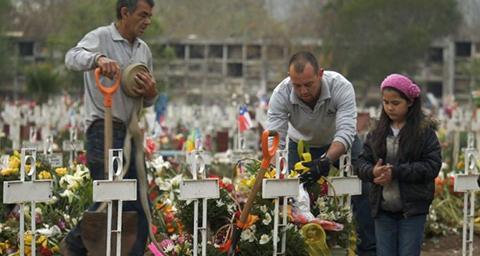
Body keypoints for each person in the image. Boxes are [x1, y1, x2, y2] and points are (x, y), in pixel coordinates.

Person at [61, 0, 157, 255]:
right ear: (125, 13)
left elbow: (147, 98)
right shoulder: (101, 37)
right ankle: (75, 244)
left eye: (150, 16)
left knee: (141, 204)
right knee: (110, 197)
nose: (148, 21)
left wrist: (151, 92)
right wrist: (99, 59)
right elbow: (72, 57)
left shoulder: (143, 50)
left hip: (130, 133)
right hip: (102, 130)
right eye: (143, 15)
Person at [266, 51, 376, 255]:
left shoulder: (340, 86)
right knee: (290, 191)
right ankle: (298, 246)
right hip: (299, 144)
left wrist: (325, 161)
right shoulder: (281, 93)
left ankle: (367, 247)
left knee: (364, 184)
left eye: (308, 84)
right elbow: (275, 140)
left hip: (340, 143)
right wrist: (280, 169)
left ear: (320, 74)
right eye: (297, 85)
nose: (303, 91)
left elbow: (346, 132)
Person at [356, 74, 442, 256]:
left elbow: (431, 166)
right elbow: (361, 162)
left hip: (412, 209)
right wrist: (372, 172)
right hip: (383, 209)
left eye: (395, 103)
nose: (389, 107)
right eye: (386, 102)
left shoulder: (423, 133)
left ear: (410, 102)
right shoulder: (377, 132)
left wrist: (396, 172)